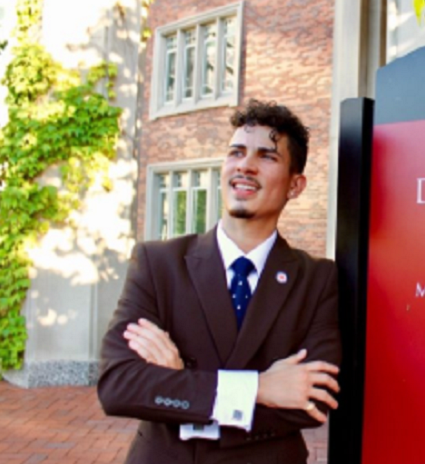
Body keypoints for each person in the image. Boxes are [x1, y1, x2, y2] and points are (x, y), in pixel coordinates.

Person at [98, 99, 341, 464]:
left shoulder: (317, 279)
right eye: (236, 152)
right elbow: (119, 386)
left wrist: (183, 385)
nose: (245, 165)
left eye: (267, 156)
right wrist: (259, 388)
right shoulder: (158, 263)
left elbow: (314, 399)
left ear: (295, 185)